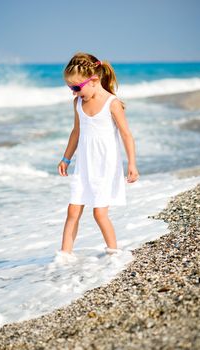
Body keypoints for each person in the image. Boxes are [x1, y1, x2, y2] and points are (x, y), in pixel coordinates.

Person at [57, 52, 139, 258]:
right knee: (72, 211)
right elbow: (76, 132)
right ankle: (64, 256)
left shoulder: (112, 103)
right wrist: (66, 158)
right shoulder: (77, 104)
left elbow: (126, 135)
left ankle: (114, 253)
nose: (74, 93)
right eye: (70, 88)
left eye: (76, 87)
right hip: (84, 166)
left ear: (93, 80)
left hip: (105, 167)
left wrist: (132, 164)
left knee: (99, 213)